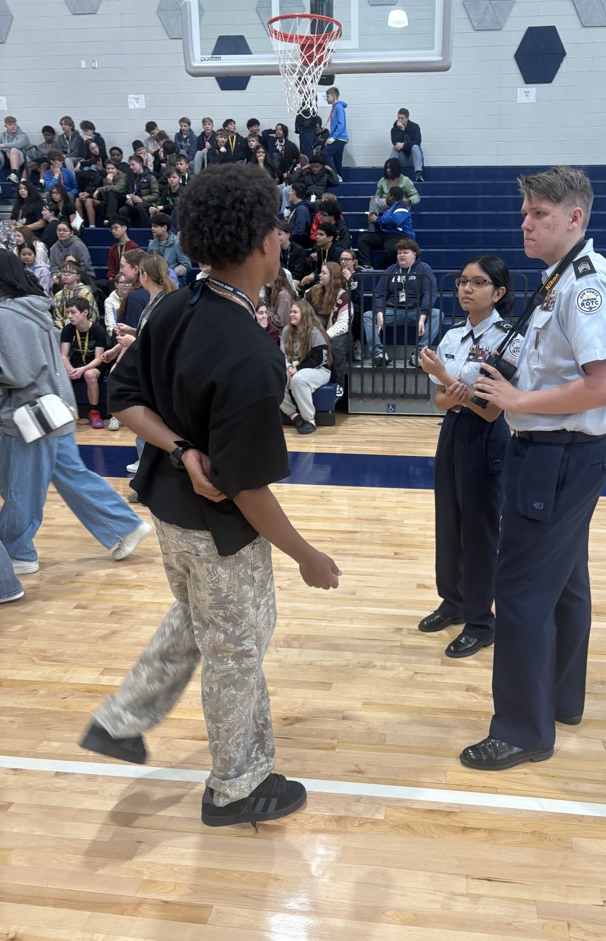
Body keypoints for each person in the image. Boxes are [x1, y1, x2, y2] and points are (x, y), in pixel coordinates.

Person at [78, 164, 341, 829]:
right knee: (236, 647)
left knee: (203, 621)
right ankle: (237, 786)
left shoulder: (173, 305)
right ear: (262, 243)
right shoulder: (249, 354)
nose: (282, 239)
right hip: (219, 531)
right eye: (278, 229)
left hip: (169, 515)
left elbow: (123, 399)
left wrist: (177, 449)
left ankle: (122, 718)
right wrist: (306, 554)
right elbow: (246, 489)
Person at [459, 165, 606, 773]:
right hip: (563, 453)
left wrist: (518, 402)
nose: (525, 224)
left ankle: (522, 730)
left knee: (523, 591)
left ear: (575, 218)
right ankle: (560, 699)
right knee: (564, 582)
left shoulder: (584, 284)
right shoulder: (561, 278)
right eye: (526, 213)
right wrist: (517, 384)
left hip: (557, 455)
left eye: (540, 215)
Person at [0, 252, 152, 576]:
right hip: (55, 407)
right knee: (71, 475)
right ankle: (123, 526)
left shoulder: (8, 314)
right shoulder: (33, 307)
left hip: (31, 413)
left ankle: (18, 551)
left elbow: (20, 370)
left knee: (19, 486)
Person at [418, 256, 519, 658]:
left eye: (478, 283)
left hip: (488, 438)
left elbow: (491, 410)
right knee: (449, 521)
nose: (466, 289)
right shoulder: (452, 335)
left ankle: (481, 620)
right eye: (462, 281)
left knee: (479, 532)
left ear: (498, 293)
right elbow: (441, 402)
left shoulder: (508, 339)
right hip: (453, 432)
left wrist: (448, 381)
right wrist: (454, 391)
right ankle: (453, 602)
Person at [362, 238, 441, 367]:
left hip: (415, 312)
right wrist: (380, 313)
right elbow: (379, 293)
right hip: (392, 311)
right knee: (368, 316)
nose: (401, 256)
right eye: (399, 253)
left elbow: (430, 293)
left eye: (405, 252)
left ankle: (419, 354)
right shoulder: (391, 270)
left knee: (437, 314)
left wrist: (422, 317)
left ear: (414, 254)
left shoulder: (424, 268)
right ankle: (379, 354)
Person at [280, 299, 332, 435]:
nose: (291, 314)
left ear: (304, 314)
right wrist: (289, 367)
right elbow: (282, 354)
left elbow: (319, 359)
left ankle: (309, 420)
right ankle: (294, 416)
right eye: (291, 311)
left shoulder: (315, 332)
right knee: (273, 378)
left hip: (319, 369)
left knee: (298, 379)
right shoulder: (287, 331)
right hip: (293, 368)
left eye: (295, 312)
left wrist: (296, 369)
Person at [60, 296, 108, 426]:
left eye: (73, 312)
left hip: (94, 364)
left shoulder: (97, 330)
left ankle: (94, 412)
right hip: (76, 362)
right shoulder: (68, 329)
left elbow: (99, 358)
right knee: (63, 373)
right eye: (68, 312)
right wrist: (69, 368)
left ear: (85, 312)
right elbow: (63, 355)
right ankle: (65, 411)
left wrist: (82, 369)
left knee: (89, 374)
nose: (69, 316)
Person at [305, 261, 350, 395]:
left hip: (337, 333)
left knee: (336, 348)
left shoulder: (344, 296)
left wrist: (324, 336)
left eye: (324, 273)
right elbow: (302, 310)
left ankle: (339, 384)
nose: (320, 275)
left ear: (333, 276)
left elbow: (343, 324)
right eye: (320, 272)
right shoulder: (313, 291)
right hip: (315, 332)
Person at [356, 186, 414, 269]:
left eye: (387, 195)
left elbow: (395, 220)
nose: (386, 197)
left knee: (392, 250)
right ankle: (366, 265)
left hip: (400, 235)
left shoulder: (401, 205)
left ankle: (383, 271)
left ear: (391, 196)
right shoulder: (390, 209)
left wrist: (377, 219)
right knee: (363, 239)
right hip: (385, 234)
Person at [148, 213, 192, 282]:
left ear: (164, 228)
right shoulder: (151, 244)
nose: (152, 229)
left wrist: (170, 272)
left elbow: (187, 266)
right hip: (157, 279)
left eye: (155, 226)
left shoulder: (177, 243)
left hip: (175, 279)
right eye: (152, 226)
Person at [390, 108, 424, 181]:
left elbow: (417, 141)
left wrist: (404, 145)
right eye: (398, 118)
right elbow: (395, 142)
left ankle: (418, 174)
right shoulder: (395, 129)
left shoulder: (415, 127)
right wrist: (401, 130)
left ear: (407, 118)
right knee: (395, 148)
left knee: (415, 147)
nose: (400, 120)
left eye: (402, 118)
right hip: (403, 159)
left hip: (413, 158)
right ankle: (392, 172)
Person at [322, 87, 348, 181]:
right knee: (337, 161)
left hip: (340, 138)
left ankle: (335, 174)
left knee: (325, 153)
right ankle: (342, 180)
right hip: (337, 137)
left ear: (333, 96)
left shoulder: (339, 107)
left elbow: (341, 125)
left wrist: (333, 138)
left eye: (328, 96)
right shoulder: (335, 108)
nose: (326, 99)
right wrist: (330, 137)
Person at [0, 115, 31, 183]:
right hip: (7, 157)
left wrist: (2, 145)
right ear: (5, 126)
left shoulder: (23, 135)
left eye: (14, 124)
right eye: (10, 125)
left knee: (13, 149)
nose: (12, 126)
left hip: (23, 158)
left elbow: (17, 145)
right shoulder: (2, 135)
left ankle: (14, 174)